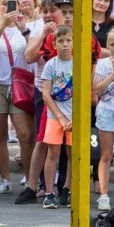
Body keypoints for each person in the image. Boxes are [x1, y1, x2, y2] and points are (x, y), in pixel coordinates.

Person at [0, 0, 36, 195]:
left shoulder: (27, 27)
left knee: (25, 135)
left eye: (12, 4)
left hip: (20, 84)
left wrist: (24, 29)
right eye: (4, 4)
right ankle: (4, 179)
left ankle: (30, 179)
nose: (8, 8)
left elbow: (33, 52)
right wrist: (2, 24)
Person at [37, 24, 74, 210]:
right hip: (55, 116)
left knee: (73, 154)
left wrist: (74, 117)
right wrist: (60, 117)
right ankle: (49, 192)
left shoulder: (78, 63)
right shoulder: (51, 65)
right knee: (53, 153)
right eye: (61, 41)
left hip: (74, 117)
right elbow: (46, 94)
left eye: (68, 40)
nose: (65, 44)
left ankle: (68, 189)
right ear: (54, 44)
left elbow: (84, 92)